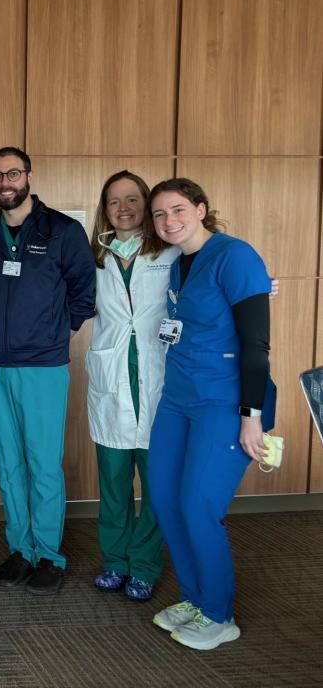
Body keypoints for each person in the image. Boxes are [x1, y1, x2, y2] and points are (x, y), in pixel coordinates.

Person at [147, 178, 272, 651]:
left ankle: (219, 614)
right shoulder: (179, 263)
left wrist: (251, 416)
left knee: (200, 506)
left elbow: (257, 347)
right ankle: (195, 598)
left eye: (177, 209)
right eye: (159, 214)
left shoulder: (235, 256)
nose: (169, 221)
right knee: (164, 498)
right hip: (178, 399)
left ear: (201, 208)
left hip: (224, 401)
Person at [0, 146, 95, 596]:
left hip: (42, 364)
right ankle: (21, 548)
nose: (5, 182)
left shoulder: (62, 231)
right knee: (9, 463)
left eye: (13, 173)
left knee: (43, 463)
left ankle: (49, 554)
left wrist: (54, 332)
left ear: (28, 176)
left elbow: (84, 293)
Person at [86, 171, 178, 602]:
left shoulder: (172, 253)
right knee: (114, 484)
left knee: (157, 485)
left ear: (146, 204)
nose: (123, 209)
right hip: (111, 382)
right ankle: (115, 561)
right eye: (113, 201)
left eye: (132, 199)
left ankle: (143, 565)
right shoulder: (96, 256)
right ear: (104, 209)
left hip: (158, 380)